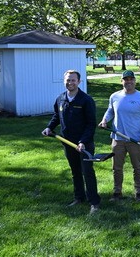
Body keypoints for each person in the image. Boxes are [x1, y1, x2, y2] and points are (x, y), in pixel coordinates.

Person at [42, 70, 100, 215]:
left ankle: (94, 202)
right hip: (67, 142)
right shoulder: (60, 99)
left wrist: (83, 141)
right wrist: (49, 127)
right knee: (75, 172)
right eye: (68, 80)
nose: (70, 83)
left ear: (79, 82)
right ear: (64, 81)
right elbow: (57, 116)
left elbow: (91, 124)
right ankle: (79, 197)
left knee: (87, 172)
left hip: (84, 144)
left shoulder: (86, 100)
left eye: (73, 80)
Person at [99, 70, 140, 202]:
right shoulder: (115, 96)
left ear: (135, 81)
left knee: (137, 167)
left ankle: (139, 192)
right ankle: (117, 192)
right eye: (125, 79)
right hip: (118, 139)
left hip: (135, 140)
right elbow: (110, 110)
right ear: (121, 81)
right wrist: (105, 120)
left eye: (131, 79)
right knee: (116, 168)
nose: (128, 82)